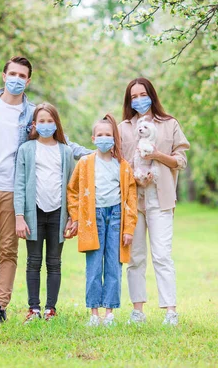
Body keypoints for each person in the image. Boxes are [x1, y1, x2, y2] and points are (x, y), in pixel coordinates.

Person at [0, 56, 90, 324]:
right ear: (4, 76)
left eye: (22, 76)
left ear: (28, 80)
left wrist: (96, 154)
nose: (17, 79)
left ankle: (0, 308)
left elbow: (59, 141)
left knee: (8, 251)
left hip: (12, 194)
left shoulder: (31, 114)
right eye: (13, 74)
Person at [118, 78, 190, 326]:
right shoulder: (123, 127)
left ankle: (171, 311)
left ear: (151, 95)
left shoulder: (169, 124)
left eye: (143, 94)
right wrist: (136, 176)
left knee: (162, 255)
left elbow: (180, 159)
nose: (139, 99)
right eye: (134, 96)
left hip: (161, 198)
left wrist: (157, 156)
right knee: (136, 257)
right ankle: (137, 311)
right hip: (132, 201)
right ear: (129, 100)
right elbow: (118, 164)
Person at [67, 114, 138, 326]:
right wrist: (76, 217)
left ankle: (109, 314)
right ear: (93, 138)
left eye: (108, 135)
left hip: (116, 216)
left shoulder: (123, 165)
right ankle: (94, 314)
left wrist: (129, 228)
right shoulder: (86, 163)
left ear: (114, 139)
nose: (104, 138)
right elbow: (73, 191)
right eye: (100, 135)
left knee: (114, 266)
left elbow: (131, 198)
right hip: (93, 218)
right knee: (94, 266)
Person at [14, 103, 76, 323]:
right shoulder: (27, 149)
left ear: (56, 124)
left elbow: (71, 185)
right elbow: (20, 183)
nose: (46, 125)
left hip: (58, 213)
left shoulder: (66, 151)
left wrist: (73, 216)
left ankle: (51, 308)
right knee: (33, 260)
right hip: (34, 212)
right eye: (41, 121)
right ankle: (34, 308)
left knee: (54, 262)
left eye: (50, 121)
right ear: (34, 124)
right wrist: (19, 216)